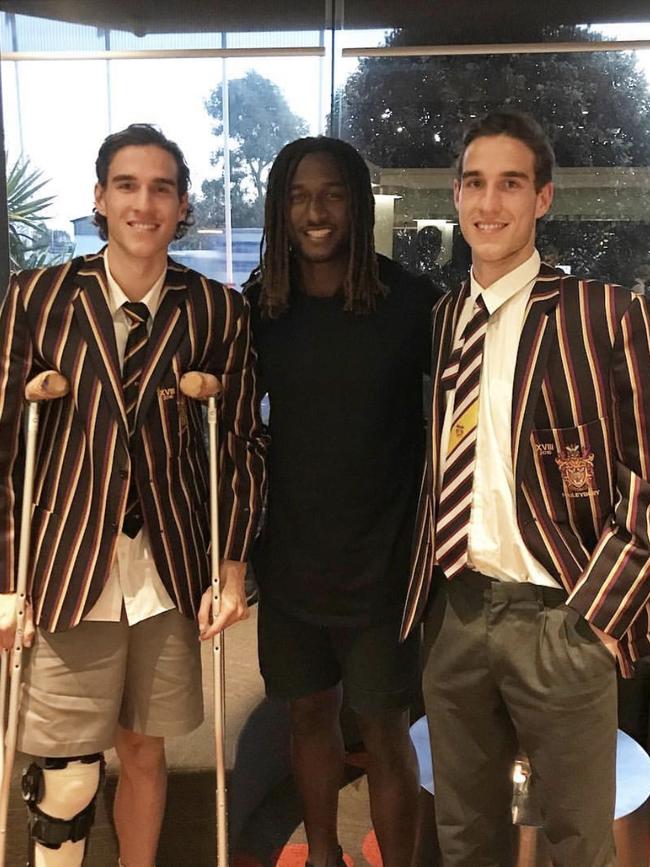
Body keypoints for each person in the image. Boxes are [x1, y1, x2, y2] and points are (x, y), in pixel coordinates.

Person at [0, 123, 266, 867]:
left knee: (145, 749)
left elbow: (241, 448)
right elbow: (3, 444)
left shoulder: (218, 310)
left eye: (160, 189)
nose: (142, 203)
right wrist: (4, 580)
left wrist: (234, 569)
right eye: (126, 185)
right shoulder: (40, 297)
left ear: (183, 206)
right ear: (99, 197)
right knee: (68, 767)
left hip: (166, 564)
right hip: (65, 560)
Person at [401, 109, 650, 867]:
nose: (490, 202)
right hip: (459, 612)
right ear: (455, 195)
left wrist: (601, 616)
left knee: (581, 841)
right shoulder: (445, 321)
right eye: (475, 183)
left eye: (511, 183)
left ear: (543, 198)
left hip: (562, 618)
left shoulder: (603, 313)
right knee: (464, 839)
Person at [244, 136, 441, 867]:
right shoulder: (262, 303)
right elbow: (236, 429)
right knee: (306, 713)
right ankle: (322, 853)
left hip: (384, 562)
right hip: (292, 553)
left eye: (331, 194)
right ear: (278, 208)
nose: (314, 211)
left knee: (384, 727)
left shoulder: (411, 302)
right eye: (298, 196)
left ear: (358, 203)